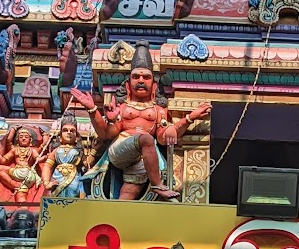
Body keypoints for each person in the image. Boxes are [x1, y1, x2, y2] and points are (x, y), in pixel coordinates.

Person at [64, 45, 209, 200]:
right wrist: (94, 110)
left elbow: (162, 137)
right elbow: (107, 133)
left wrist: (188, 119)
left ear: (154, 85)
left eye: (146, 77)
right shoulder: (123, 107)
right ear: (128, 85)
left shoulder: (158, 110)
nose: (141, 80)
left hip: (143, 158)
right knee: (146, 139)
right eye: (136, 77)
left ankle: (118, 219)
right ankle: (157, 184)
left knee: (128, 192)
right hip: (121, 148)